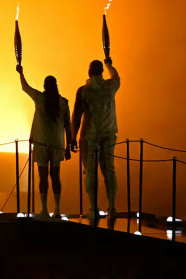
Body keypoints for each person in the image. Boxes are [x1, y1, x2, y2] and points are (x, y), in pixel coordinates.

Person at [72, 57, 121, 226]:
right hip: (108, 134)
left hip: (90, 136)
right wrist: (109, 65)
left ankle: (93, 208)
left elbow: (76, 116)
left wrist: (72, 136)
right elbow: (117, 77)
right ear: (101, 71)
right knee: (109, 170)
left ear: (89, 71)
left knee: (90, 173)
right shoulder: (110, 87)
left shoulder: (84, 90)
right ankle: (112, 207)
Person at [17, 64, 71, 218]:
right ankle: (58, 209)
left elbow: (25, 87)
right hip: (57, 144)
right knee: (55, 176)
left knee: (43, 176)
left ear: (45, 87)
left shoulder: (40, 98)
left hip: (41, 143)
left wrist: (21, 72)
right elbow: (68, 125)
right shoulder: (64, 103)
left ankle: (45, 209)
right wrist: (68, 146)